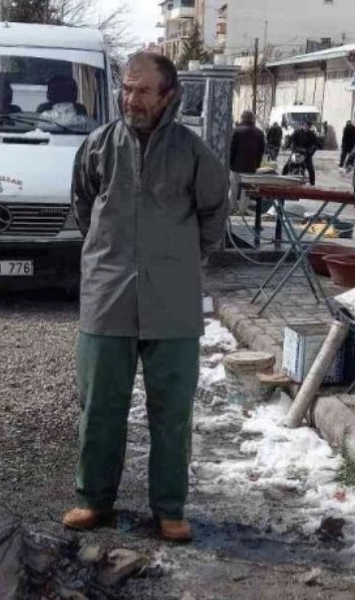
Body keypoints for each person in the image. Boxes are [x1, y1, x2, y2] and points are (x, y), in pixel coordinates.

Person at [65, 52, 228, 543]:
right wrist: (107, 258)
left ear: (168, 95)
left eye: (142, 91)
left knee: (172, 412)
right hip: (107, 296)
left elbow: (214, 215)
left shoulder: (193, 153)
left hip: (173, 304)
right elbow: (82, 207)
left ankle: (170, 508)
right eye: (126, 89)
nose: (130, 99)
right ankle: (94, 500)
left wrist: (178, 261)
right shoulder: (97, 147)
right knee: (99, 407)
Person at [229, 110, 266, 208]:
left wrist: (230, 162)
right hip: (250, 165)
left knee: (233, 188)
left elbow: (232, 148)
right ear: (253, 119)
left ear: (242, 118)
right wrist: (257, 164)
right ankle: (242, 208)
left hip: (235, 165)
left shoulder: (236, 131)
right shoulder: (259, 133)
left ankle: (231, 207)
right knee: (246, 189)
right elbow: (261, 151)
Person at [284, 121, 319, 185]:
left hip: (306, 154)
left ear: (309, 127)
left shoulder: (312, 135)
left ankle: (312, 184)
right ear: (302, 125)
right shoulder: (297, 132)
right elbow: (291, 139)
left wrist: (310, 152)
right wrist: (287, 145)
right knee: (287, 165)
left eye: (307, 126)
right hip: (296, 152)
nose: (306, 127)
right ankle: (282, 179)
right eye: (305, 125)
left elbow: (315, 145)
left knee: (311, 169)